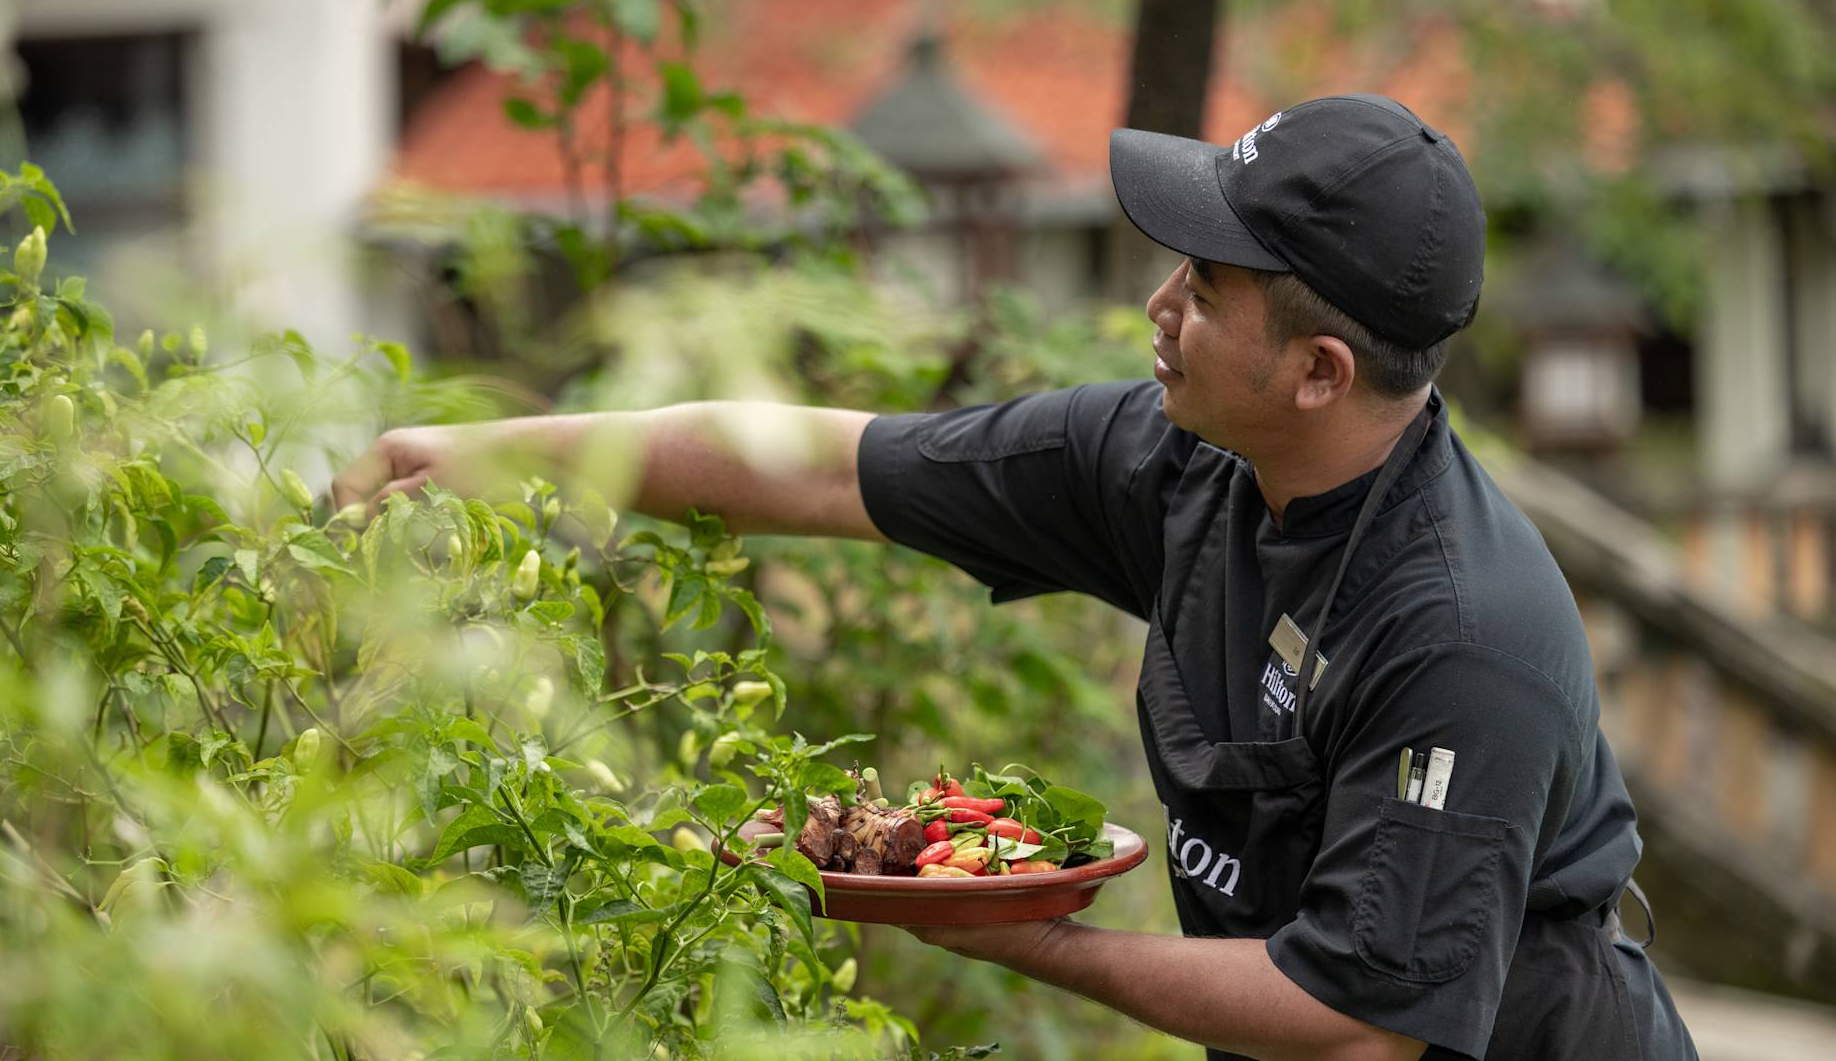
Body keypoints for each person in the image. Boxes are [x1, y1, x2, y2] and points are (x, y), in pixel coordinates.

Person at [333, 94, 1698, 1060]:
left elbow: (1353, 1023)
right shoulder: (1180, 466)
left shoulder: (1457, 633)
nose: (1160, 305)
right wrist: (480, 457)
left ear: (1317, 371)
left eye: (1206, 286)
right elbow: (822, 469)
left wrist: (1033, 939)